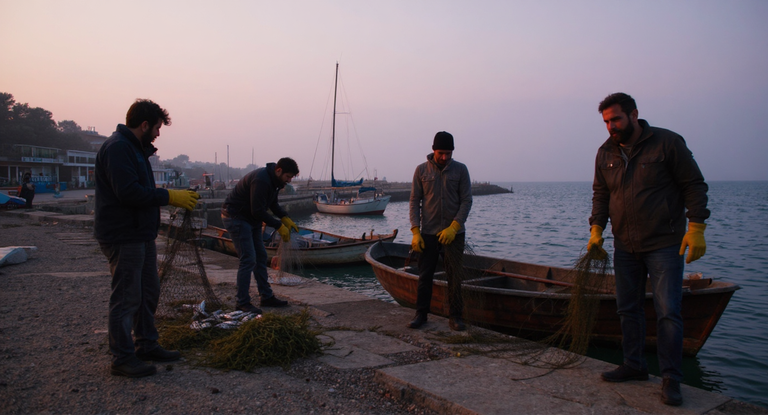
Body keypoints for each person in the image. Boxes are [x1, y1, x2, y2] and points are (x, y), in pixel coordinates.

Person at [588, 93, 709, 406]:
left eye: (615, 119)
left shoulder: (667, 143)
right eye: (606, 122)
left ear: (634, 114)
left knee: (668, 312)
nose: (611, 127)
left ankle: (671, 379)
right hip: (624, 245)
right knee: (627, 308)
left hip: (664, 244)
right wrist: (596, 229)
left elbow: (694, 184)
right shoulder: (605, 153)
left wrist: (696, 227)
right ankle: (635, 365)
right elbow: (601, 194)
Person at [94, 99, 200, 378]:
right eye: (156, 127)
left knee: (148, 293)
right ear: (144, 125)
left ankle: (146, 344)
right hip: (123, 235)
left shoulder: (135, 149)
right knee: (127, 297)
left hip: (140, 234)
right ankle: (122, 358)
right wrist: (169, 196)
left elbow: (137, 189)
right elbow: (128, 193)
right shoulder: (118, 148)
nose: (158, 134)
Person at [408, 131, 473, 331]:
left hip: (453, 235)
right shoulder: (421, 171)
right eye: (441, 153)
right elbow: (414, 201)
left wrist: (455, 226)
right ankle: (421, 314)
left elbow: (466, 201)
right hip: (428, 233)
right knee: (425, 275)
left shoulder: (461, 170)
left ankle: (455, 317)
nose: (445, 157)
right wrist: (415, 231)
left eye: (448, 153)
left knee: (454, 276)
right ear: (433, 150)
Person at [221, 157, 300, 314]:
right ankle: (242, 302)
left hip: (252, 220)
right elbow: (257, 210)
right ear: (279, 170)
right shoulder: (261, 179)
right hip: (236, 217)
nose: (289, 180)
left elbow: (272, 204)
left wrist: (285, 217)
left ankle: (266, 296)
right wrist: (278, 225)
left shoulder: (275, 182)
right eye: (288, 176)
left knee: (261, 257)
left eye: (291, 177)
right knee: (248, 259)